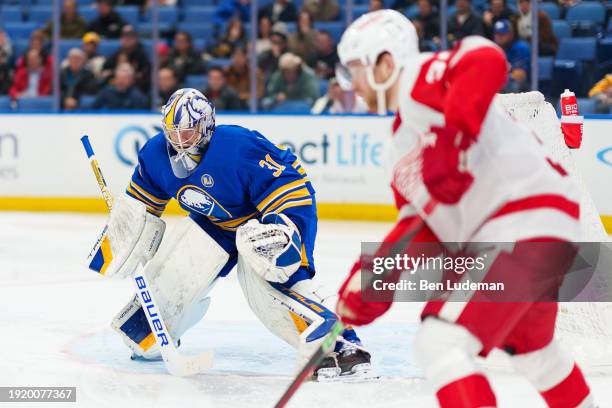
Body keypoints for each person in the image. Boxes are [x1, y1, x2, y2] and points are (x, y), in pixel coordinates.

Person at [335, 9, 593, 407]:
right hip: (527, 230)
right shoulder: (398, 146)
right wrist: (373, 278)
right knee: (534, 351)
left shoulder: (419, 77)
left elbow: (485, 57)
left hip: (521, 220)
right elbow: (423, 230)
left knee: (441, 342)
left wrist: (451, 141)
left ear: (386, 63)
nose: (350, 83)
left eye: (356, 68)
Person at [86, 87, 373, 380]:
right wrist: (125, 234)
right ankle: (157, 334)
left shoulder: (236, 146)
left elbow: (287, 185)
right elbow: (142, 208)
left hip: (267, 215)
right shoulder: (156, 155)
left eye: (187, 132)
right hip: (216, 222)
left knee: (268, 270)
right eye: (173, 132)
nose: (179, 140)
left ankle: (340, 344)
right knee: (145, 327)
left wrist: (281, 228)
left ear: (206, 126)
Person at [101, 25, 151, 91]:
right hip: (117, 84)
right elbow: (106, 68)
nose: (127, 41)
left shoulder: (140, 53)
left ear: (135, 39)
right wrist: (112, 72)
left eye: (129, 38)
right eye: (125, 38)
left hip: (135, 85)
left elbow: (146, 70)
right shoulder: (119, 52)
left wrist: (134, 75)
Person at [494, 19, 530, 93]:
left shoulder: (520, 47)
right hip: (502, 84)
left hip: (522, 90)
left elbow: (520, 76)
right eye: (497, 34)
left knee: (513, 85)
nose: (499, 37)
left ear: (511, 34)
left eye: (503, 34)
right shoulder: (493, 49)